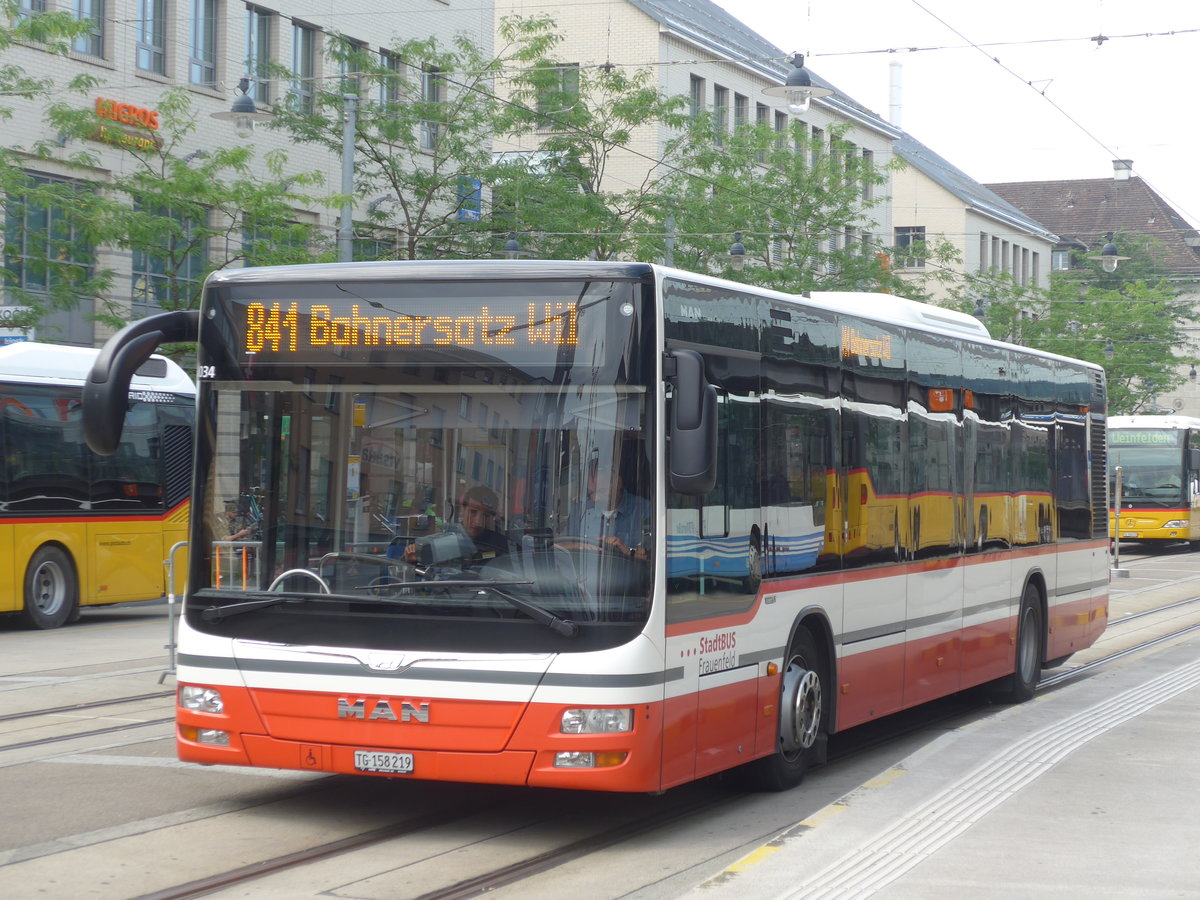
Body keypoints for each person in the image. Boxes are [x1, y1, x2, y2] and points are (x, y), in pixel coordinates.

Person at [401, 484, 510, 565]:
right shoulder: (443, 538)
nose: (478, 522)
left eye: (486, 516)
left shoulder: (502, 545)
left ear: (493, 517)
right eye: (473, 512)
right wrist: (411, 559)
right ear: (463, 509)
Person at [568, 459, 650, 560]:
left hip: (627, 574)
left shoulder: (645, 510)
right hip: (584, 574)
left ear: (618, 482)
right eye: (591, 492)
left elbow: (656, 559)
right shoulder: (580, 510)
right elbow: (557, 546)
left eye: (601, 491)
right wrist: (579, 547)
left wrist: (629, 552)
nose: (596, 498)